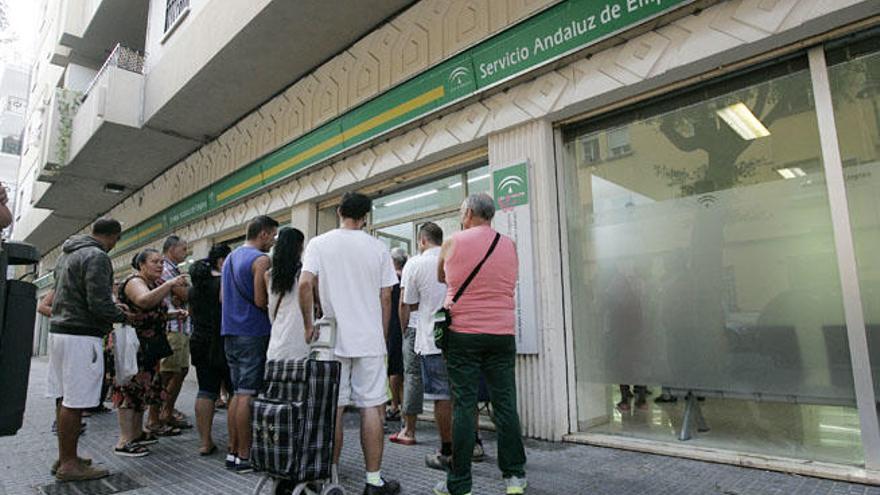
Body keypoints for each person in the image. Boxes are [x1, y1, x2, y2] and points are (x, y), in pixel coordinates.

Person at [298, 192, 401, 495]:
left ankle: (331, 479)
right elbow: (386, 297)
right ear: (366, 216)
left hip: (331, 338)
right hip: (369, 338)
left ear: (339, 211)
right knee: (371, 407)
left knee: (334, 409)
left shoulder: (319, 243)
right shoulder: (378, 248)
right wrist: (381, 335)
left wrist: (308, 324)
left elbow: (304, 283)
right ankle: (373, 481)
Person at [434, 194, 527, 495]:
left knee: (464, 404)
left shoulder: (452, 242)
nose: (462, 217)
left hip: (463, 333)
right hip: (502, 334)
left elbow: (441, 277)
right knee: (505, 404)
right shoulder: (509, 244)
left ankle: (459, 484)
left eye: (462, 212)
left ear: (470, 212)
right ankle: (514, 477)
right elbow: (510, 279)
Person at [46, 218, 133, 481]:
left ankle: (65, 456)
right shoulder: (96, 256)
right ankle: (69, 465)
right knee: (76, 401)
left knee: (64, 397)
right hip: (81, 335)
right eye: (116, 240)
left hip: (60, 332)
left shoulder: (67, 254)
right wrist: (122, 315)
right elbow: (97, 302)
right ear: (113, 236)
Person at [113, 249, 189, 456]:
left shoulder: (153, 283)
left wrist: (174, 314)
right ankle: (124, 440)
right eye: (155, 262)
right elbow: (144, 301)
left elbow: (152, 312)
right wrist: (169, 284)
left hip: (149, 346)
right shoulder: (135, 281)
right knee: (129, 389)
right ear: (141, 264)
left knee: (141, 390)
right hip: (134, 346)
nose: (160, 266)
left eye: (162, 262)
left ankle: (137, 433)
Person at [222, 215, 278, 473]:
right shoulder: (261, 260)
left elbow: (223, 297)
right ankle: (246, 455)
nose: (274, 241)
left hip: (230, 331)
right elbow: (259, 300)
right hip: (253, 332)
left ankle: (233, 451)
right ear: (263, 234)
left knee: (236, 392)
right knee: (247, 394)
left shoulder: (230, 259)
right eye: (273, 236)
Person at [396, 222, 454, 469]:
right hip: (459, 334)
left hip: (427, 334)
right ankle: (472, 443)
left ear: (421, 240)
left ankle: (411, 431)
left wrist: (403, 331)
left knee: (434, 390)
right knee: (460, 393)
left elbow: (405, 304)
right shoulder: (453, 258)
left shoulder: (415, 264)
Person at [189, 244, 232, 456]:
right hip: (222, 342)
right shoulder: (223, 284)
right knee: (234, 391)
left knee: (205, 390)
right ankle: (236, 441)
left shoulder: (193, 289)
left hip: (199, 341)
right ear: (221, 261)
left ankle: (205, 442)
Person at [149, 235, 192, 431]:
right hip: (170, 328)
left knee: (180, 370)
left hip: (181, 327)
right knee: (167, 373)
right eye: (183, 249)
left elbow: (184, 293)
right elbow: (186, 294)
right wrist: (183, 290)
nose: (186, 252)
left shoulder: (175, 271)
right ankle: (155, 416)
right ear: (171, 249)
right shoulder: (167, 270)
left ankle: (167, 411)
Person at [265, 227, 308, 361]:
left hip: (277, 344)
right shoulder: (306, 275)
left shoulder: (268, 275)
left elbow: (270, 308)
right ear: (299, 248)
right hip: (301, 344)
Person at [385, 248, 407, 425]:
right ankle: (403, 405)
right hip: (405, 326)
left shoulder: (391, 280)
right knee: (403, 368)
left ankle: (394, 406)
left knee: (394, 368)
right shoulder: (405, 278)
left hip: (392, 326)